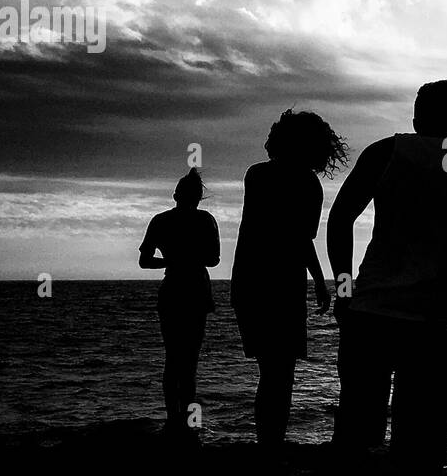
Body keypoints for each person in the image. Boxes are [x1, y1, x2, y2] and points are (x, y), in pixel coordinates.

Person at [326, 80, 447, 472]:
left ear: (415, 119)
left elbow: (340, 219)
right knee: (425, 446)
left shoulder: (384, 152)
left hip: (370, 314)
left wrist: (344, 292)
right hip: (435, 324)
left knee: (357, 436)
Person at [231, 110, 348, 446]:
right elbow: (301, 237)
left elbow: (284, 233)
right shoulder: (307, 184)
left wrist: (319, 279)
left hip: (248, 280)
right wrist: (320, 279)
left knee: (271, 372)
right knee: (280, 374)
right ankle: (271, 448)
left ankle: (268, 446)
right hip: (282, 284)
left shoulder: (255, 175)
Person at [139, 168, 220, 436]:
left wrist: (171, 261)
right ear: (197, 198)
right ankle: (184, 422)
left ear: (176, 195)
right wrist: (186, 259)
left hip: (175, 289)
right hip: (194, 290)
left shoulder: (161, 221)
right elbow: (213, 259)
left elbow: (145, 260)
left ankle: (174, 419)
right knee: (188, 362)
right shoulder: (206, 221)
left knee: (174, 359)